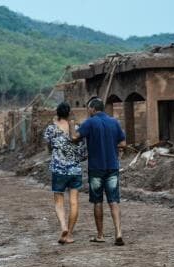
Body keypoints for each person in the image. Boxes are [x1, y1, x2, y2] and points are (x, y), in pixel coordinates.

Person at [69, 97, 126, 246]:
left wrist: (71, 124)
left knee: (98, 201)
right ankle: (118, 233)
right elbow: (123, 143)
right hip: (112, 167)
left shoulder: (90, 122)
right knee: (114, 200)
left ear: (93, 109)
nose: (88, 111)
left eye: (88, 108)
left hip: (96, 168)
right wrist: (114, 148)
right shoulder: (114, 122)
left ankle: (100, 235)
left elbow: (74, 137)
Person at [44, 102, 86, 244]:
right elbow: (82, 152)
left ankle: (63, 227)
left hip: (58, 170)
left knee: (59, 201)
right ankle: (70, 233)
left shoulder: (51, 129)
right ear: (69, 114)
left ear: (57, 114)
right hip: (75, 170)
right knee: (74, 202)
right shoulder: (77, 129)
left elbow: (49, 146)